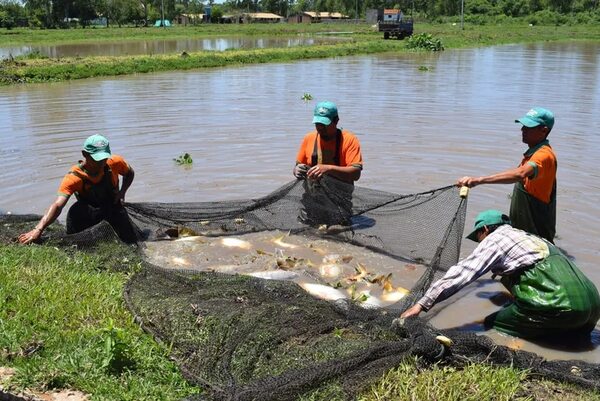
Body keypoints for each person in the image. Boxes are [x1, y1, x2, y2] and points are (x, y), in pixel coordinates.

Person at [401, 209, 600, 340]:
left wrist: (421, 305)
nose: (480, 242)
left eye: (478, 236)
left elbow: (463, 273)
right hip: (593, 304)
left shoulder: (495, 240)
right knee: (572, 337)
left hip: (560, 304)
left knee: (493, 323)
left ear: (485, 230)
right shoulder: (528, 236)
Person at [457, 107, 557, 243]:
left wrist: (478, 180)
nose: (523, 130)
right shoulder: (532, 154)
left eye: (529, 127)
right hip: (525, 233)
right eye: (523, 126)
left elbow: (520, 174)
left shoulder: (544, 155)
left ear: (544, 130)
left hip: (536, 234)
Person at [18, 134, 137, 244]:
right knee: (77, 214)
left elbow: (129, 173)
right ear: (85, 154)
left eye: (104, 158)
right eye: (97, 159)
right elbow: (58, 205)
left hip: (112, 208)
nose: (102, 163)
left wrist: (122, 192)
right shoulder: (74, 177)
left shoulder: (115, 162)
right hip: (89, 215)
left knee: (130, 240)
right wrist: (38, 229)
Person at [293, 101, 363, 226]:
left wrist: (328, 168)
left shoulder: (349, 140)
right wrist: (297, 169)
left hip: (339, 203)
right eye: (317, 124)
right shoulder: (309, 138)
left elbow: (356, 173)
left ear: (336, 121)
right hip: (311, 201)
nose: (320, 128)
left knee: (338, 231)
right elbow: (297, 165)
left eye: (324, 124)